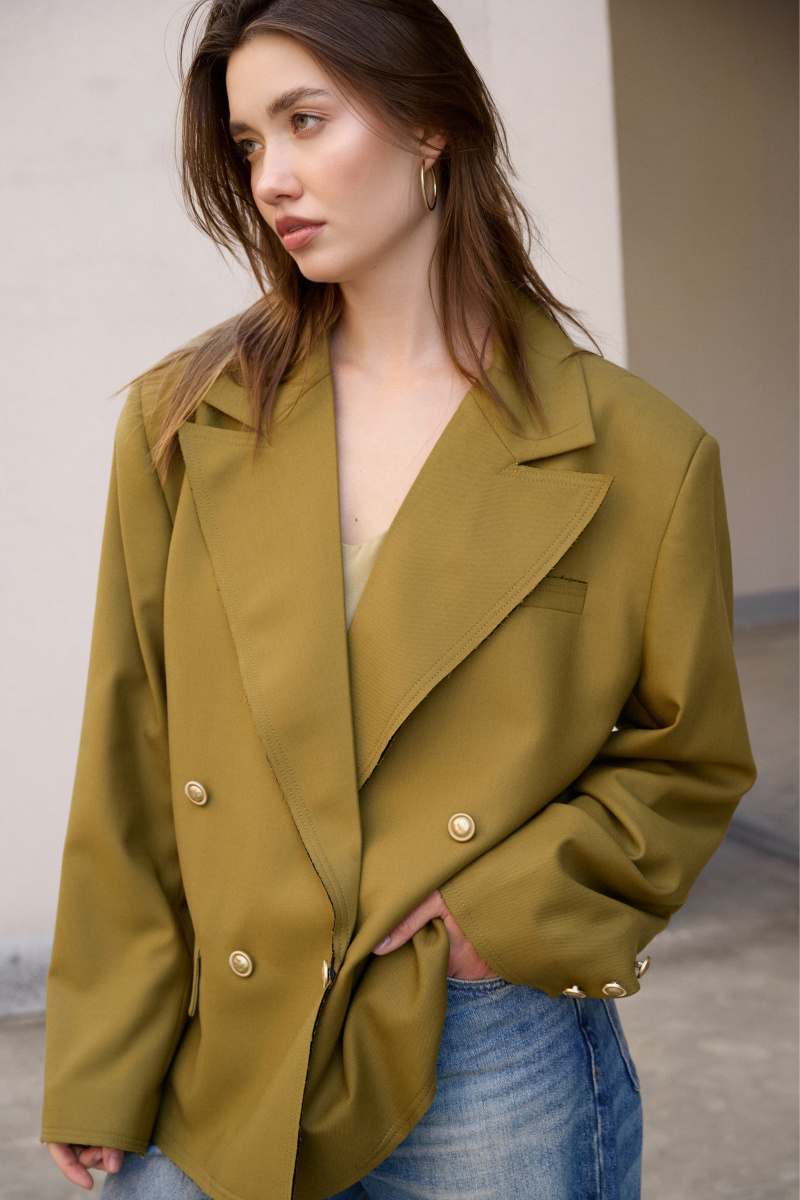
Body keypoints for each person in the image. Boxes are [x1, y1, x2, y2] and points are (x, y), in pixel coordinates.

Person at [41, 1, 756, 1198]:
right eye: (248, 144)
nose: (271, 178)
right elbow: (133, 752)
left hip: (478, 1046)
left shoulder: (637, 453)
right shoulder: (186, 418)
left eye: (304, 121)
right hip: (228, 1037)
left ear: (429, 124)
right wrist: (103, 1056)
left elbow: (686, 760)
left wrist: (496, 922)